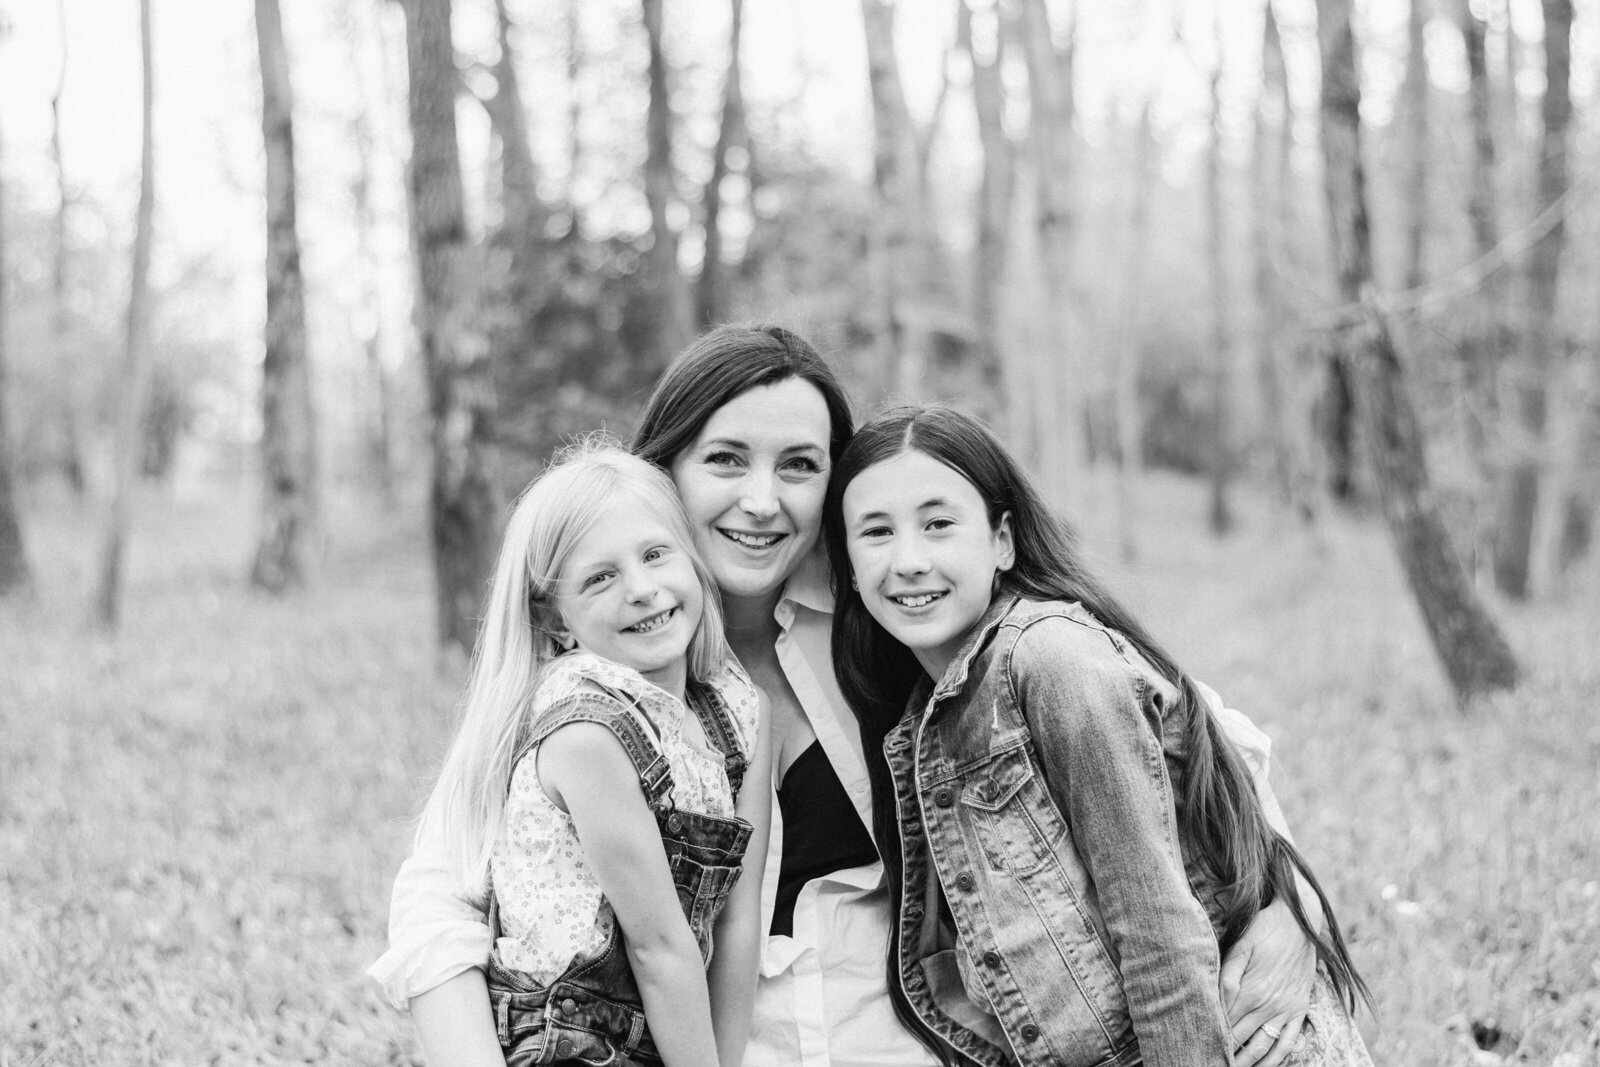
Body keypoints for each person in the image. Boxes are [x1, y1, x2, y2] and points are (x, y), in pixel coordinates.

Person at [372, 324, 1324, 1067]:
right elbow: (434, 903)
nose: (761, 501)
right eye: (725, 460)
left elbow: (1191, 734)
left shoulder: (885, 609)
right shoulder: (587, 678)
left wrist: (1292, 915)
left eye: (799, 466)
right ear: (663, 468)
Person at [822, 403, 1372, 1067]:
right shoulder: (925, 718)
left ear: (1002, 540)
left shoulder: (1052, 659)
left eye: (939, 524)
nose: (909, 560)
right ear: (849, 565)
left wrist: (1297, 904)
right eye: (876, 532)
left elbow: (1158, 932)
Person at [379, 439, 771, 1067]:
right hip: (573, 1039)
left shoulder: (743, 713)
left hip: (672, 1030)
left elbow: (737, 922)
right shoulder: (587, 731)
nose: (642, 589)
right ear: (555, 620)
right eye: (599, 578)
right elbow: (656, 944)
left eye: (655, 554)